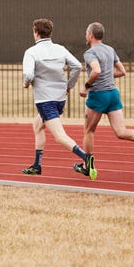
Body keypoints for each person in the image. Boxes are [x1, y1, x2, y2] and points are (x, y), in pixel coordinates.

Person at [73, 22, 134, 177]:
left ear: (91, 35)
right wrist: (107, 75)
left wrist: (86, 86)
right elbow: (122, 71)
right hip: (113, 94)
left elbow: (96, 71)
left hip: (98, 95)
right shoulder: (110, 49)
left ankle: (88, 165)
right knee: (121, 131)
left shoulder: (89, 53)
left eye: (87, 32)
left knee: (89, 131)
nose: (85, 35)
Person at [21, 18, 97, 180]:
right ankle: (36, 166)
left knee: (59, 136)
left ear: (36, 33)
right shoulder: (60, 49)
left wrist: (26, 83)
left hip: (45, 100)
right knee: (37, 126)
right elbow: (77, 66)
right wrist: (69, 85)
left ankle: (86, 157)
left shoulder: (31, 52)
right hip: (60, 98)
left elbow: (28, 74)